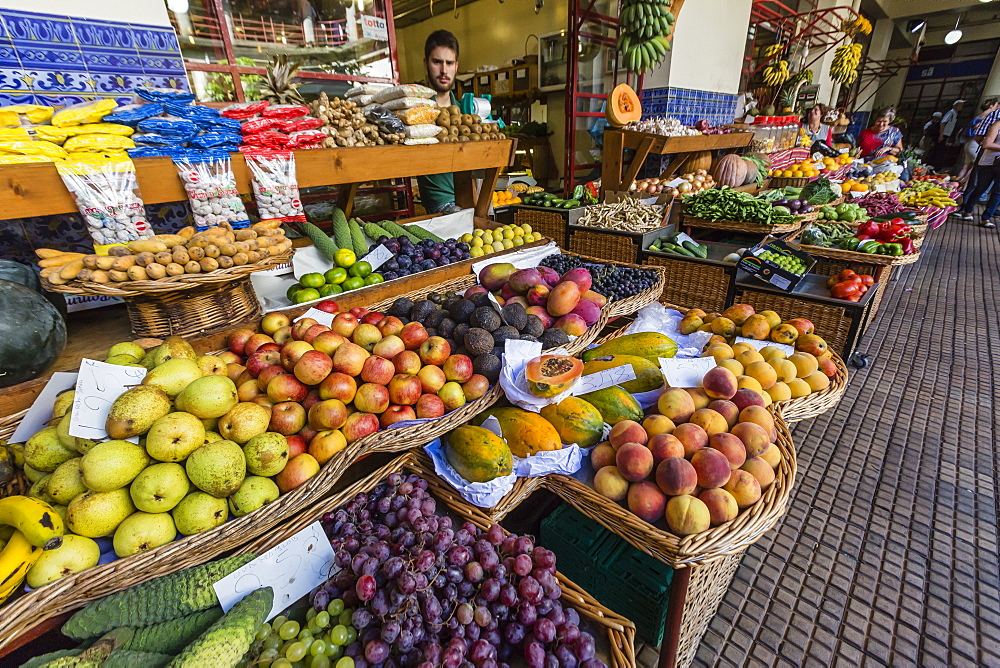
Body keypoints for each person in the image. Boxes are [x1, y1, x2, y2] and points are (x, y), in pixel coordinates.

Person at [416, 30, 461, 214]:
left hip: (471, 201)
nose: (444, 70)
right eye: (437, 62)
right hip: (437, 206)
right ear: (426, 63)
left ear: (456, 66)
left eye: (449, 63)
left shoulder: (466, 112)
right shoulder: (416, 113)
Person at [958, 117, 1000, 227]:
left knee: (997, 192)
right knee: (980, 188)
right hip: (988, 162)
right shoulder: (997, 124)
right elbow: (986, 144)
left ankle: (986, 218)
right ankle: (968, 210)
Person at [956, 98, 1000, 185]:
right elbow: (979, 133)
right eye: (996, 104)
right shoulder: (990, 115)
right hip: (976, 145)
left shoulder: (979, 116)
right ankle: (964, 186)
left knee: (966, 166)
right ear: (991, 106)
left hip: (970, 143)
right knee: (973, 169)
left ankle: (957, 184)